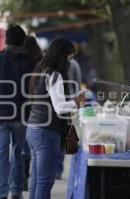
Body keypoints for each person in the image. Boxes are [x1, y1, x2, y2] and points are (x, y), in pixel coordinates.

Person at [0, 24, 36, 199]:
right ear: (22, 41)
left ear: (7, 40)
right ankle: (16, 192)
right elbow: (33, 88)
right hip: (20, 114)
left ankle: (2, 193)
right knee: (18, 153)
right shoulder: (29, 61)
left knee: (1, 153)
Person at [27, 38, 85, 199]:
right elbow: (59, 107)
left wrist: (72, 99)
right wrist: (75, 102)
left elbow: (53, 100)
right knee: (44, 183)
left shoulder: (42, 70)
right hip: (46, 132)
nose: (70, 61)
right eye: (69, 57)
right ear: (62, 56)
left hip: (33, 129)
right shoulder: (55, 75)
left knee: (37, 181)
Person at [21, 35, 43, 190]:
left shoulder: (20, 61)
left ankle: (24, 178)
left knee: (23, 146)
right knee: (34, 148)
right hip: (37, 108)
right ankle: (32, 179)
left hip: (21, 106)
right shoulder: (40, 62)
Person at [56, 58, 82, 180]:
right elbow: (77, 84)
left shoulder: (52, 64)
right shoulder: (75, 64)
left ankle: (54, 168)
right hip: (69, 102)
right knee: (63, 135)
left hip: (55, 103)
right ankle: (58, 170)